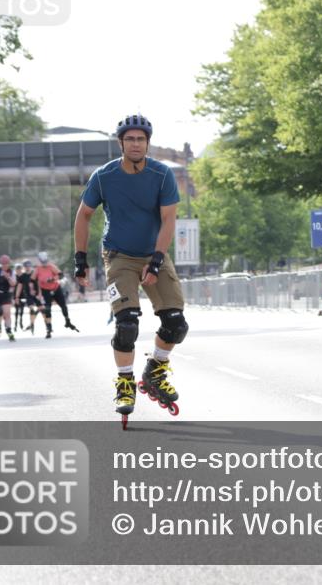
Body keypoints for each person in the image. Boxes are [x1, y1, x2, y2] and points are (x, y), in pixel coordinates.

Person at [73, 113, 188, 420]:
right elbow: (84, 215)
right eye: (130, 139)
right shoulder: (104, 176)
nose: (136, 144)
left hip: (154, 253)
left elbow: (168, 220)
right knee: (127, 325)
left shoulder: (162, 175)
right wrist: (80, 259)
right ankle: (125, 383)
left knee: (176, 324)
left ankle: (155, 370)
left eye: (141, 139)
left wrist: (157, 260)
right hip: (119, 255)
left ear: (147, 143)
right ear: (120, 143)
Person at [32, 252, 79, 338]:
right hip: (45, 290)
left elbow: (61, 275)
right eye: (43, 262)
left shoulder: (51, 266)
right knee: (47, 309)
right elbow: (32, 280)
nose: (44, 264)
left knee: (63, 306)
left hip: (56, 288)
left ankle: (67, 321)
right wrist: (36, 291)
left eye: (45, 261)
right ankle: (49, 328)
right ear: (40, 261)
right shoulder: (37, 269)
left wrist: (53, 279)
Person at [14, 259, 41, 334]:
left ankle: (31, 323)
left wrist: (40, 294)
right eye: (26, 266)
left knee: (41, 309)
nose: (27, 267)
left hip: (36, 294)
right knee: (31, 309)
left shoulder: (35, 274)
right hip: (28, 295)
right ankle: (32, 325)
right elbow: (19, 287)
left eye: (28, 266)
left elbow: (39, 284)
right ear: (24, 267)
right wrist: (17, 297)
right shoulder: (22, 276)